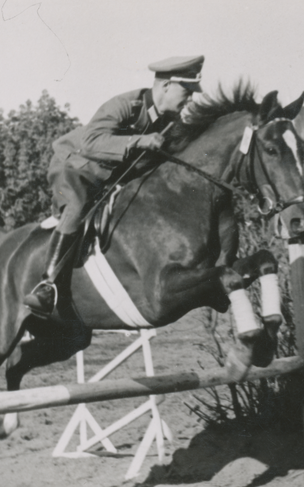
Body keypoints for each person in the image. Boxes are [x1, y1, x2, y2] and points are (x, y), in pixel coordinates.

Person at [23, 55, 205, 317]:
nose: (190, 99)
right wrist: (139, 141)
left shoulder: (169, 122)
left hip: (108, 180)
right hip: (74, 167)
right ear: (166, 86)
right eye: (186, 92)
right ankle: (46, 285)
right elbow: (90, 143)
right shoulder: (125, 105)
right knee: (76, 206)